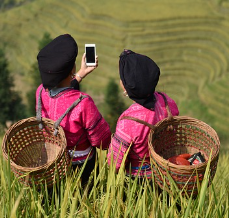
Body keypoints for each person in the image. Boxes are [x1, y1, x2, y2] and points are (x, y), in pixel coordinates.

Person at [36, 34, 111, 186]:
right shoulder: (83, 102)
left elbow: (61, 95)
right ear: (72, 69)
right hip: (81, 167)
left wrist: (80, 74)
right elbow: (102, 140)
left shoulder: (40, 92)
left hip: (53, 160)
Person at [107, 49, 179, 179]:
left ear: (125, 86)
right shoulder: (168, 102)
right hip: (167, 175)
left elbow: (115, 162)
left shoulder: (128, 121)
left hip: (139, 182)